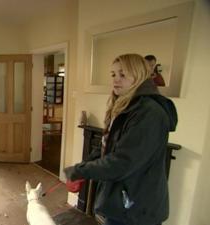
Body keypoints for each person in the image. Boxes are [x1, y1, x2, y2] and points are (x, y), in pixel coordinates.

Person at [64, 54, 178, 225]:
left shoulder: (149, 113)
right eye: (113, 74)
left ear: (139, 75)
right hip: (123, 203)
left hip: (137, 210)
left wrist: (80, 170)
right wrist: (86, 164)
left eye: (123, 75)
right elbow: (108, 145)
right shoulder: (127, 106)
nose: (116, 80)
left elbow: (122, 162)